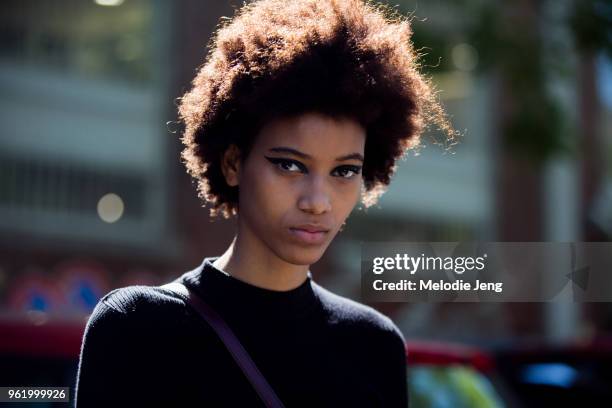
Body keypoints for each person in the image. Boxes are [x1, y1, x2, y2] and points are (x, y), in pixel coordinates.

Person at [74, 0, 454, 406]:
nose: (317, 201)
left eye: (343, 171)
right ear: (234, 163)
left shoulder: (374, 345)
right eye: (290, 165)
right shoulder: (138, 327)